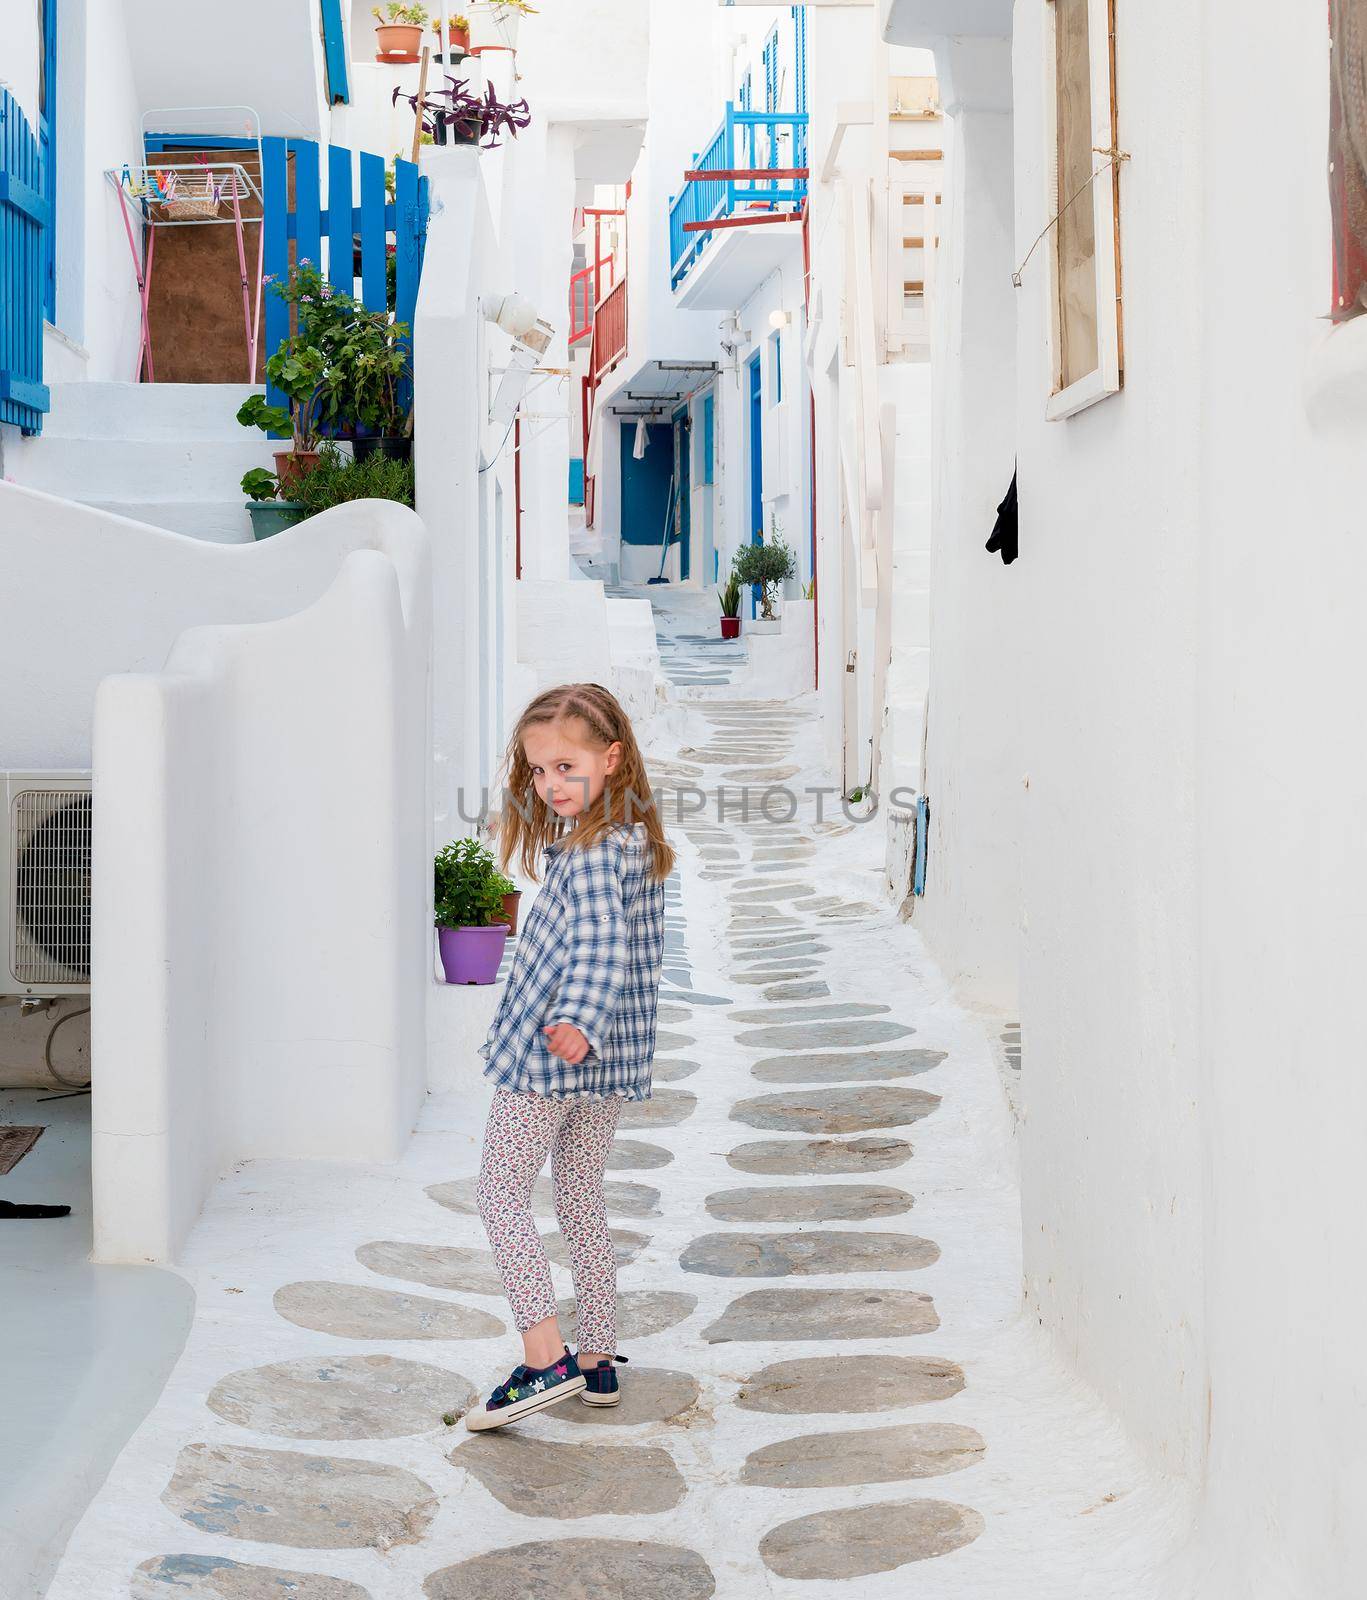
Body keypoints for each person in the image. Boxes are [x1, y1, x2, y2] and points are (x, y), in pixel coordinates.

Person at [464, 682, 675, 1431]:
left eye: (565, 766)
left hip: (553, 1058)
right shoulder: (632, 842)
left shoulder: (587, 855)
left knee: (499, 1193)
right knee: (580, 1192)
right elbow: (621, 945)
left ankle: (543, 1352)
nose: (551, 785)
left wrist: (576, 1019)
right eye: (538, 771)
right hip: (608, 1067)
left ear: (611, 759)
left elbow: (597, 946)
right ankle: (597, 1356)